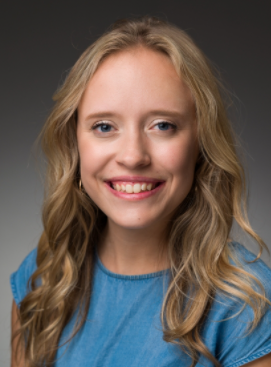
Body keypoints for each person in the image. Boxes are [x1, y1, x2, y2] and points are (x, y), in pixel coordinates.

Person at [10, 16, 271, 367]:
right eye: (104, 126)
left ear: (200, 143)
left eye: (163, 125)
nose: (133, 156)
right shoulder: (42, 280)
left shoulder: (247, 304)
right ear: (75, 142)